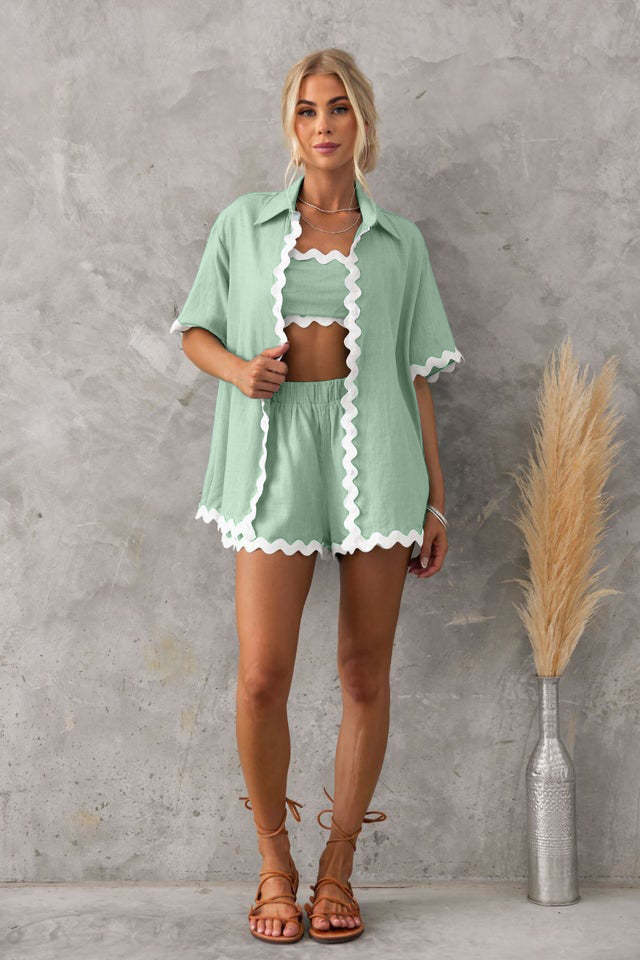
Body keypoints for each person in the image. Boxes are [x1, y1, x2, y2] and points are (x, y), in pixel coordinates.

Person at [170, 48, 464, 944]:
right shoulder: (246, 223)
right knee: (263, 675)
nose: (324, 124)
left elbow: (416, 375)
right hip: (273, 455)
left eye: (338, 108)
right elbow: (194, 329)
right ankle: (275, 865)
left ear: (362, 121)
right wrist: (239, 371)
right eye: (307, 110)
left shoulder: (400, 241)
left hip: (377, 453)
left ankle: (338, 866)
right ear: (290, 125)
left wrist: (435, 499)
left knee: (363, 674)